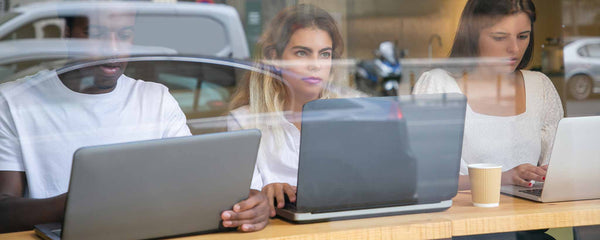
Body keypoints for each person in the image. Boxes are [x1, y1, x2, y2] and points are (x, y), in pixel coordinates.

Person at [0, 9, 269, 233]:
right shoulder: (15, 102)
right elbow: (4, 210)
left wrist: (248, 205)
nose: (114, 49)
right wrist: (75, 204)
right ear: (68, 34)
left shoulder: (156, 99)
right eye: (96, 34)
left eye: (125, 35)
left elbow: (191, 189)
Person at [414, 1, 562, 239]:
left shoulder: (540, 87)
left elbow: (555, 170)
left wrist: (550, 175)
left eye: (523, 36)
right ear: (473, 35)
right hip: (462, 232)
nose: (514, 48)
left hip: (526, 229)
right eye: (500, 37)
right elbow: (425, 180)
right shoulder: (438, 86)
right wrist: (506, 178)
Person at [228, 4, 346, 217]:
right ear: (274, 57)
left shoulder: (349, 116)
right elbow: (242, 203)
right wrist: (263, 196)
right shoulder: (244, 122)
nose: (315, 65)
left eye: (324, 54)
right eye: (302, 53)